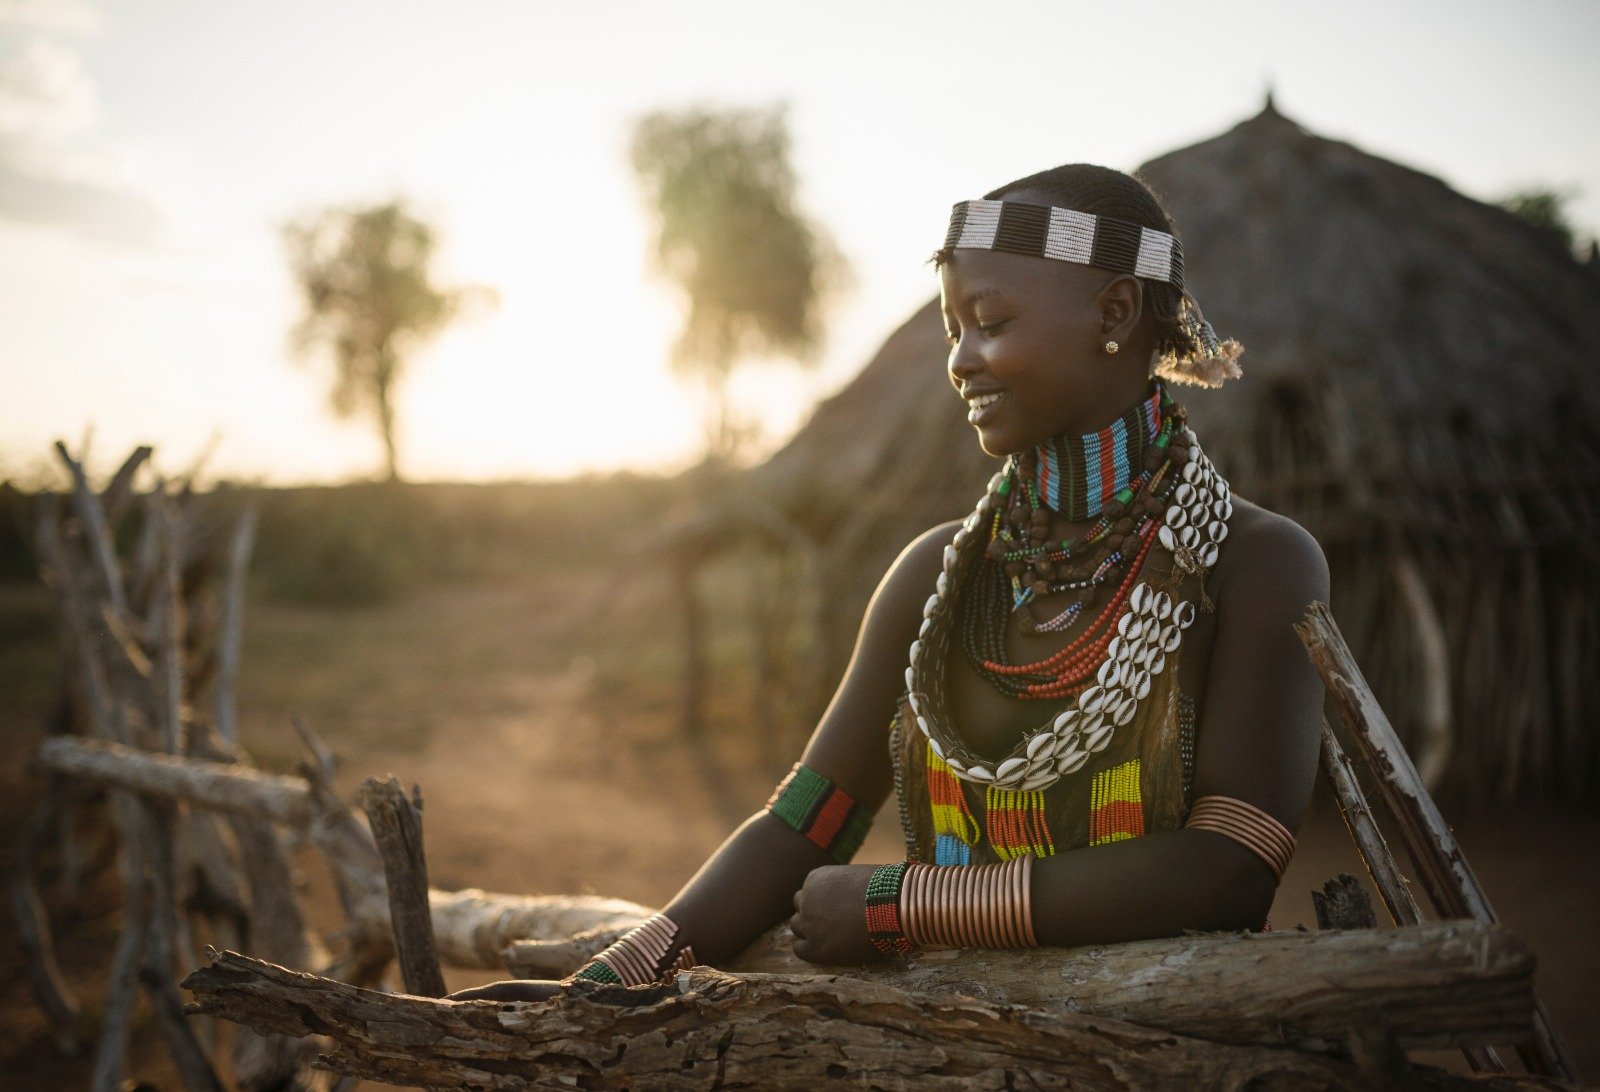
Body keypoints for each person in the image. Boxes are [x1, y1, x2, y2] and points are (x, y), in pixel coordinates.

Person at [448, 162, 1330, 1001]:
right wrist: (607, 986)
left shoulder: (1254, 565)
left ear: (1115, 311)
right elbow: (805, 820)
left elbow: (1231, 867)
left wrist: (904, 902)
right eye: (953, 332)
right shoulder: (937, 581)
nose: (961, 360)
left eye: (991, 321)